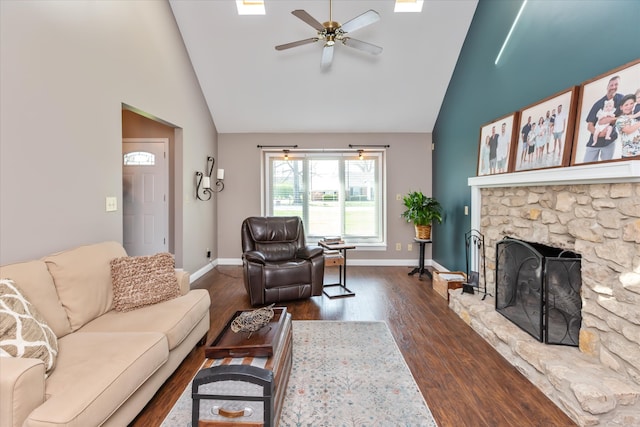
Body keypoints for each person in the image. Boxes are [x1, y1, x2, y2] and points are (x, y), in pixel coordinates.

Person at [583, 75, 623, 162]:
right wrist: (600, 134)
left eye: (616, 85)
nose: (613, 87)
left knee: (606, 168)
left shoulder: (621, 99)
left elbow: (624, 116)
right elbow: (589, 126)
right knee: (586, 167)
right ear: (607, 87)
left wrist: (608, 120)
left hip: (610, 141)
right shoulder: (598, 104)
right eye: (611, 85)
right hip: (594, 142)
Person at [615, 93, 640, 158]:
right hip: (630, 155)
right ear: (621, 107)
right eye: (626, 105)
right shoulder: (621, 119)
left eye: (631, 103)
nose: (629, 106)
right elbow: (629, 130)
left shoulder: (636, 118)